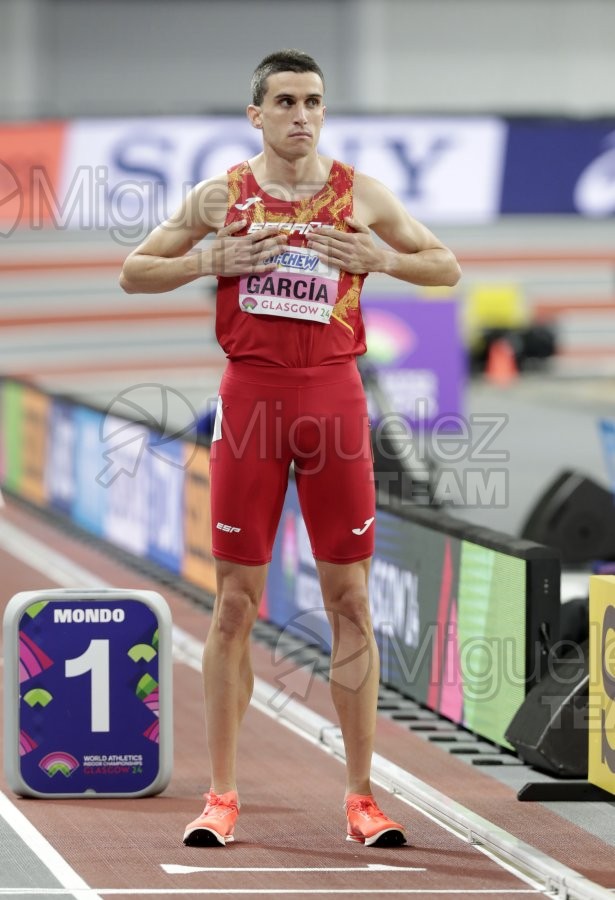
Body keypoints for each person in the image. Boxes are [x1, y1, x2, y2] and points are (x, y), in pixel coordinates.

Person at [120, 49, 461, 848]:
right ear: (256, 115)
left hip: (335, 402)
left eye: (312, 101)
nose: (301, 114)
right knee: (234, 604)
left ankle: (361, 798)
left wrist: (383, 259)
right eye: (284, 101)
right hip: (250, 402)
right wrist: (210, 259)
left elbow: (443, 267)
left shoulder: (360, 196)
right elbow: (134, 272)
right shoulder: (222, 197)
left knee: (349, 601)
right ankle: (223, 797)